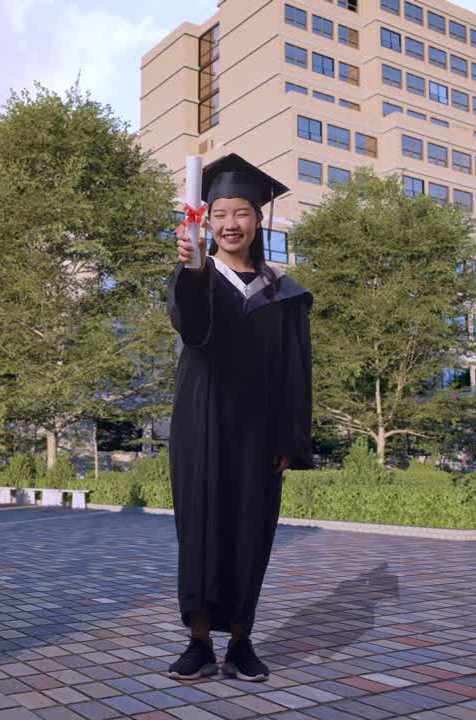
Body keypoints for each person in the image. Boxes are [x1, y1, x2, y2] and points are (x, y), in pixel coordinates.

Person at [165, 154, 314, 683]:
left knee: (251, 530)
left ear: (258, 220)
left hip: (258, 432)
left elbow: (297, 369)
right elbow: (193, 327)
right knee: (201, 527)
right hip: (201, 423)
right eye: (221, 213)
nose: (231, 224)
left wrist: (288, 439)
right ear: (208, 219)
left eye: (242, 213)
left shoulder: (284, 291)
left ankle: (242, 643)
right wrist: (194, 266)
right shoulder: (198, 275)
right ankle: (199, 643)